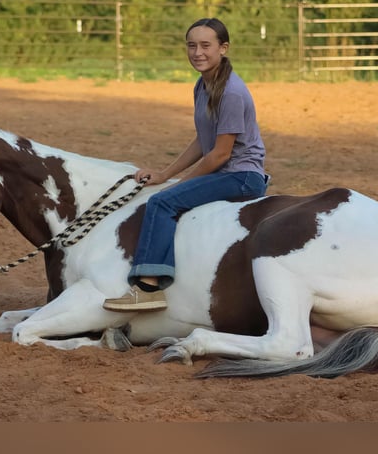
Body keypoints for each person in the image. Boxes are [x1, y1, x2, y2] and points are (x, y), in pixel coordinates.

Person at [103, 17, 268, 312]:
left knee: (162, 203)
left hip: (241, 176)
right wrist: (165, 174)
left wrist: (178, 186)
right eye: (191, 46)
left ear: (223, 48)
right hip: (226, 170)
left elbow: (220, 154)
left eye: (206, 45)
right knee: (166, 193)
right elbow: (202, 140)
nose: (197, 53)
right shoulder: (203, 85)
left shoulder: (231, 92)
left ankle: (148, 287)